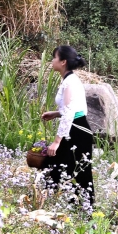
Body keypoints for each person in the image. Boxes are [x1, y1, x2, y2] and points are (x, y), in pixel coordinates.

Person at [40, 45, 94, 206]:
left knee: (79, 171)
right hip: (75, 126)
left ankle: (85, 210)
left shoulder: (70, 81)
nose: (52, 60)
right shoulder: (69, 80)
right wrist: (56, 113)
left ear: (63, 62)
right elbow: (73, 108)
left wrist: (57, 141)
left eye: (54, 57)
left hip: (77, 129)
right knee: (59, 167)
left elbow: (71, 112)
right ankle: (60, 204)